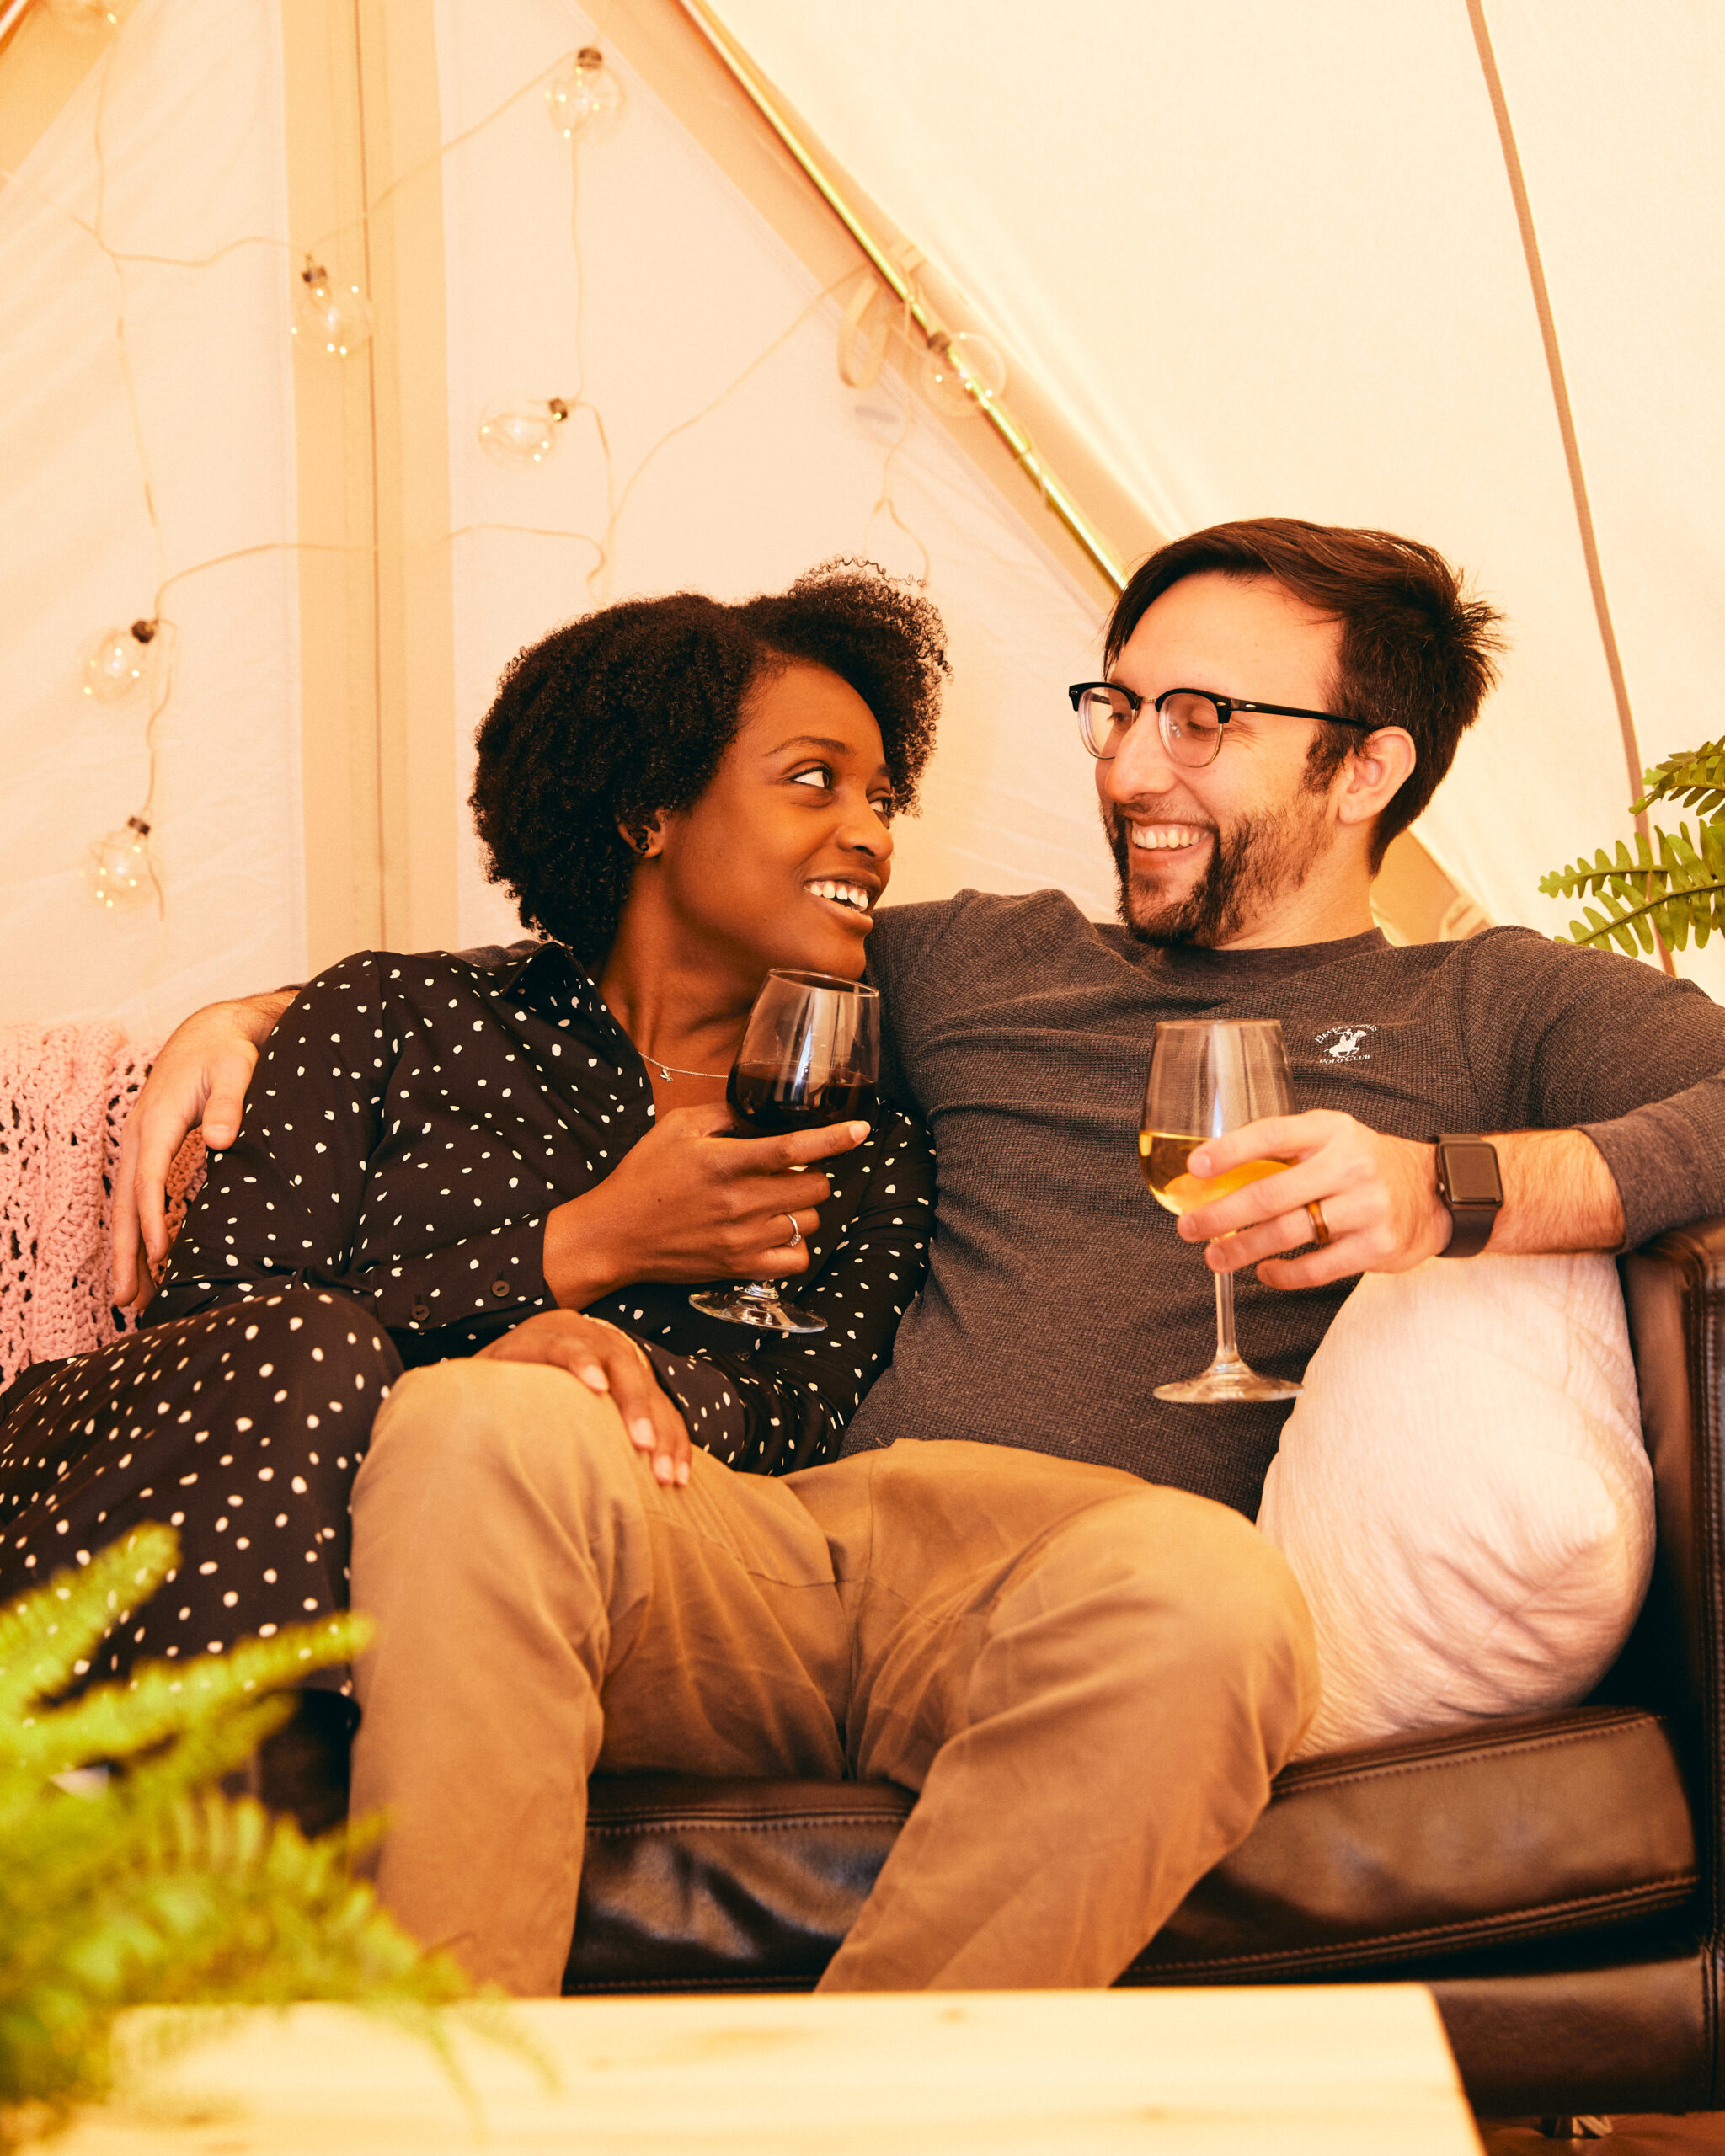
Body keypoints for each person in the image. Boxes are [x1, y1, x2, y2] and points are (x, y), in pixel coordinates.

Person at [135, 509, 1725, 1999]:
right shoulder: (978, 960)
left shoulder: (1496, 1007)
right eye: (1117, 708)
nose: (1131, 767)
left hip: (1089, 1576)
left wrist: (1451, 1190)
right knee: (483, 1421)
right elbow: (652, 924)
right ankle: (412, 2112)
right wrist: (265, 1020)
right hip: (777, 1533)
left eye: (1202, 720)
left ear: (1368, 765)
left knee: (1217, 1606)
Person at [0, 563, 942, 1730]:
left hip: (510, 1562)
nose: (872, 838)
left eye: (883, 800)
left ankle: (257, 1861)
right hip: (160, 1518)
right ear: (648, 812)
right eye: (816, 783)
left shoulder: (861, 1144)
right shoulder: (394, 1017)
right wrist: (574, 1253)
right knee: (304, 1340)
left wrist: (574, 1399)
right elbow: (221, 1329)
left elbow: (794, 1415)